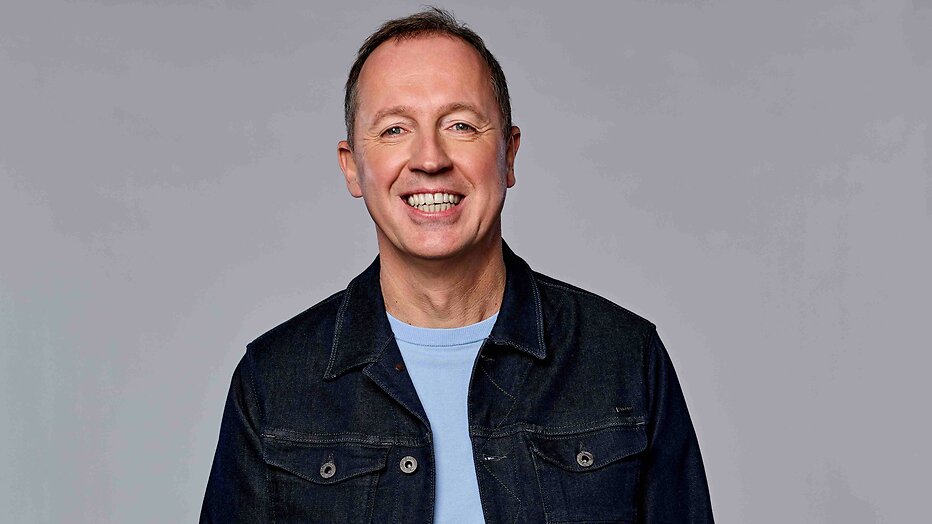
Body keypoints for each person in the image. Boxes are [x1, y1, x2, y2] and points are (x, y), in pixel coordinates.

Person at [201, 7, 713, 523]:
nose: (430, 159)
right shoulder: (272, 383)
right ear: (353, 167)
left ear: (509, 155)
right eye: (395, 129)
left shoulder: (625, 358)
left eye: (461, 125)